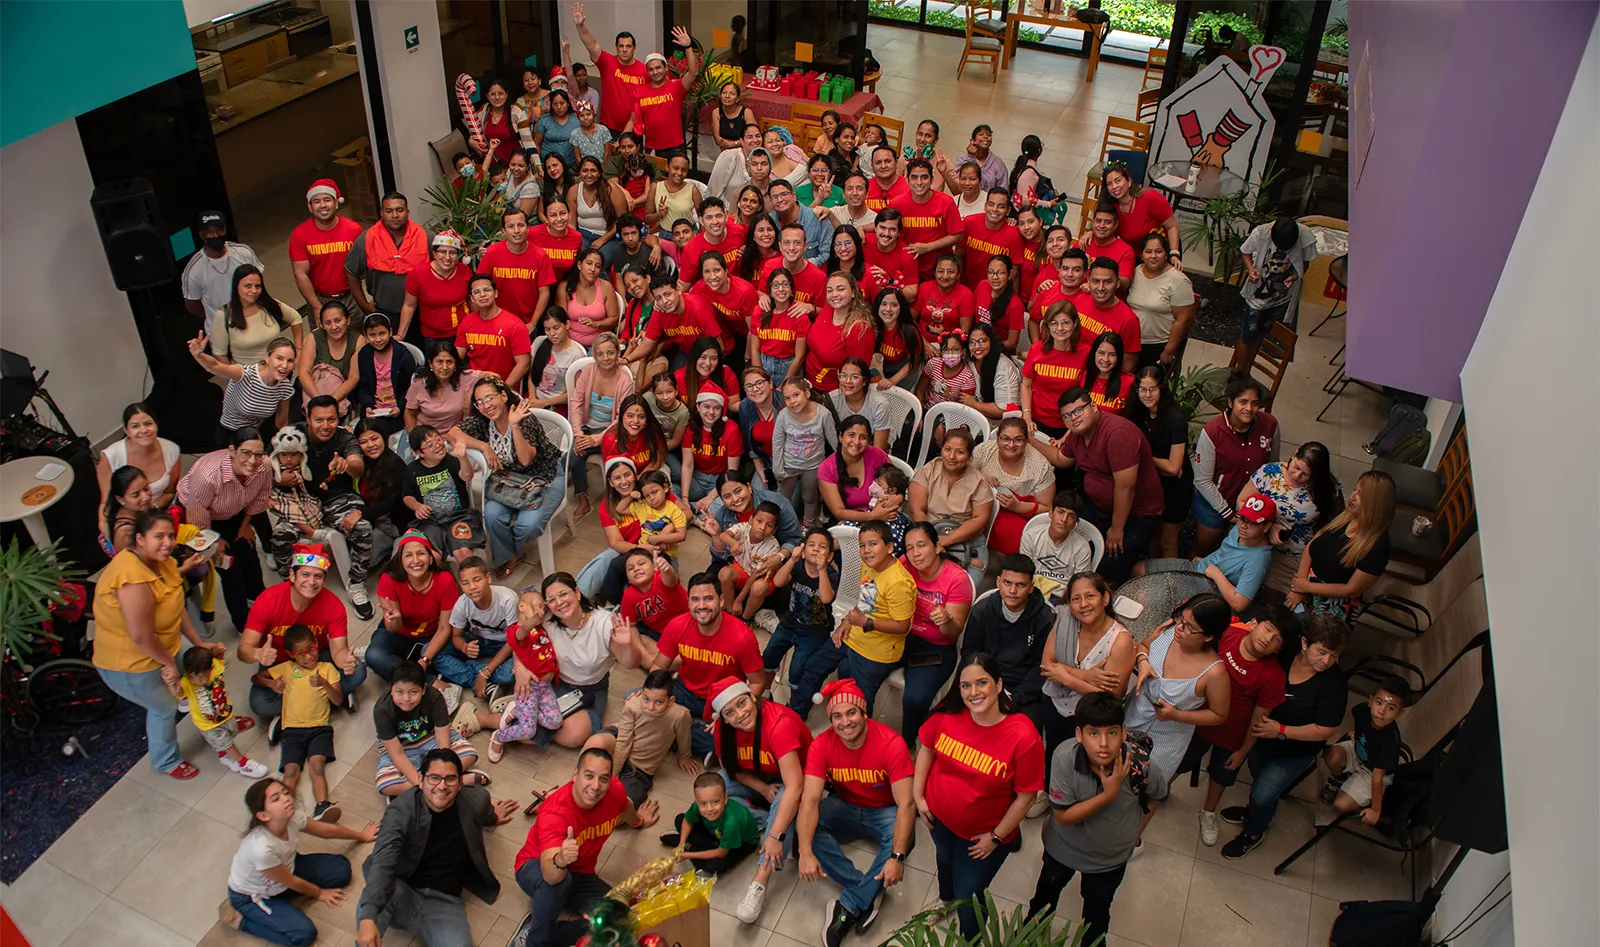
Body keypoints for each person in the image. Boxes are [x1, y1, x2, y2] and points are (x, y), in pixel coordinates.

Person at [914, 653, 1044, 939]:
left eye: (982, 683)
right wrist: (919, 797)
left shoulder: (1023, 736)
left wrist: (996, 838)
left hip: (982, 837)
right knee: (944, 860)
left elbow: (1026, 798)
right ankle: (944, 900)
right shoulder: (946, 715)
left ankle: (970, 938)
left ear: (998, 685)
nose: (973, 693)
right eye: (965, 686)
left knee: (969, 898)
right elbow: (927, 749)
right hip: (938, 819)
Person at [92, 509, 227, 779]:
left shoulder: (162, 561)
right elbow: (142, 636)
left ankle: (220, 723)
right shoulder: (131, 578)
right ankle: (166, 760)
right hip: (131, 662)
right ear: (140, 539)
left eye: (170, 536)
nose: (167, 543)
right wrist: (169, 665)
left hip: (166, 645)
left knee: (204, 671)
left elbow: (176, 606)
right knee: (164, 707)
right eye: (158, 537)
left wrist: (199, 644)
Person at [1027, 692, 1168, 947]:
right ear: (1079, 734)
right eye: (1093, 733)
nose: (1103, 743)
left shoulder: (1140, 765)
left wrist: (1134, 835)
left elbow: (1156, 797)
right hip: (1063, 850)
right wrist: (1108, 794)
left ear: (1124, 732)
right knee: (1043, 902)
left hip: (1109, 860)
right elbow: (1062, 817)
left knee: (1096, 916)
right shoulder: (1064, 758)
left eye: (1112, 733)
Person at [355, 749, 519, 947]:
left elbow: (485, 813)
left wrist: (493, 817)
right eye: (434, 778)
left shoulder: (477, 800)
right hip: (400, 885)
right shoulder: (399, 812)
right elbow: (383, 863)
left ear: (460, 783)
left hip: (444, 900)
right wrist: (368, 917)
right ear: (420, 780)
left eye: (450, 779)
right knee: (369, 912)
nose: (442, 786)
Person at [1219, 613, 1349, 859]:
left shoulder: (1334, 685)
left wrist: (1280, 730)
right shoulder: (1284, 653)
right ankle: (1254, 812)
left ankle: (1254, 832)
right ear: (1304, 643)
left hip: (1294, 752)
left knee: (1263, 793)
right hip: (1261, 736)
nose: (1327, 660)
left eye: (1334, 655)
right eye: (1322, 652)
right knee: (1258, 776)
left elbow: (1325, 729)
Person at [798, 679, 917, 946]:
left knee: (904, 838)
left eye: (851, 713)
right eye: (837, 716)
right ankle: (865, 889)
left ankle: (850, 905)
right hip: (845, 806)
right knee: (805, 827)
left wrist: (897, 858)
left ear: (865, 713)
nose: (845, 722)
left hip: (884, 810)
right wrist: (805, 852)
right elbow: (809, 801)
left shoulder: (891, 744)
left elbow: (906, 805)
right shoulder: (821, 745)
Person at [1183, 606, 1298, 847]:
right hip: (1197, 719)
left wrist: (1243, 751)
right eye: (1268, 629)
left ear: (1280, 648)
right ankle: (1154, 793)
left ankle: (1208, 812)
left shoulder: (1273, 677)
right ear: (1254, 623)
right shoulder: (1227, 633)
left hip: (1232, 735)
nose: (1268, 639)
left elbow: (1259, 720)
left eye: (1277, 639)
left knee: (1221, 775)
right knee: (1179, 761)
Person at [221, 777, 379, 946]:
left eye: (285, 793)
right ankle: (242, 921)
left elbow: (325, 831)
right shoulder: (261, 849)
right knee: (305, 935)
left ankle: (284, 904)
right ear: (263, 815)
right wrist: (319, 893)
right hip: (254, 895)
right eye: (276, 799)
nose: (286, 798)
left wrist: (361, 835)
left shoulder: (292, 817)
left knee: (342, 870)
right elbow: (292, 882)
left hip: (287, 869)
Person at [706, 678, 812, 923]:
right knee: (716, 785)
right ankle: (773, 820)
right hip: (761, 776)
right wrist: (763, 788)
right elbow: (732, 770)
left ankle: (760, 880)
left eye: (742, 703)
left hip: (796, 778)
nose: (740, 715)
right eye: (730, 713)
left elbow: (795, 785)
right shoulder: (724, 729)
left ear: (753, 697)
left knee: (786, 797)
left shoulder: (779, 725)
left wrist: (774, 838)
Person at [1039, 387, 1164, 583]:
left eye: (1078, 410)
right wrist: (1029, 439)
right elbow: (1060, 459)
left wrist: (1116, 528)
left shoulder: (1118, 433)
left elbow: (1126, 487)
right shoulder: (1077, 434)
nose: (1074, 418)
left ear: (1094, 406)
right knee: (1073, 546)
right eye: (1067, 416)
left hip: (1135, 512)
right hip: (1099, 506)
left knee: (1107, 567)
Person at [240, 543, 366, 734]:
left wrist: (345, 662)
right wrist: (257, 654)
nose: (311, 582)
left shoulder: (333, 606)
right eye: (305, 575)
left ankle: (296, 708)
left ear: (324, 580)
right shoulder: (268, 601)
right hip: (279, 659)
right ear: (292, 576)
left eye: (318, 576)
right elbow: (243, 650)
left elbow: (338, 650)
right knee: (259, 704)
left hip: (318, 655)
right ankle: (333, 697)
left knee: (358, 672)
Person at [644, 571, 765, 754]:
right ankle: (684, 732)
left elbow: (758, 682)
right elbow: (659, 667)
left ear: (721, 601)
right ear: (689, 602)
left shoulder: (743, 637)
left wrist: (729, 712)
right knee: (638, 699)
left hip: (723, 699)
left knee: (734, 736)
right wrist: (650, 693)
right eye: (695, 599)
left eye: (708, 599)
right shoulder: (678, 625)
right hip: (684, 689)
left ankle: (672, 730)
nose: (701, 606)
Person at [455, 375, 564, 578]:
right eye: (480, 402)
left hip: (543, 478)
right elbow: (452, 434)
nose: (486, 406)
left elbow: (526, 460)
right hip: (509, 481)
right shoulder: (482, 421)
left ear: (503, 396)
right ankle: (510, 554)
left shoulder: (523, 418)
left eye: (489, 398)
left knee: (528, 525)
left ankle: (511, 549)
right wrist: (483, 446)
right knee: (492, 515)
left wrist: (514, 427)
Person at [1124, 593, 1232, 793]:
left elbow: (1219, 715)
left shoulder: (1215, 673)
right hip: (1132, 715)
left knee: (1145, 792)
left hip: (1166, 740)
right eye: (1181, 618)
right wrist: (1143, 661)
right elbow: (1145, 646)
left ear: (1208, 636)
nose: (1180, 627)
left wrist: (1177, 715)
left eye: (1190, 627)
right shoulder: (1171, 630)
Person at [176, 429, 274, 630]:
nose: (253, 461)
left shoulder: (264, 466)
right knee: (230, 569)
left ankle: (258, 602)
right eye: (245, 453)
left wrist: (245, 525)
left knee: (249, 555)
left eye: (258, 454)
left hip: (235, 511)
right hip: (201, 518)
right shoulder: (208, 476)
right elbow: (196, 515)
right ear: (232, 450)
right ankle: (243, 624)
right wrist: (215, 542)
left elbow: (260, 496)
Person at [1040, 572, 1133, 780]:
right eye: (1076, 599)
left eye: (1090, 596)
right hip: (1055, 702)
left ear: (1105, 599)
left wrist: (1066, 677)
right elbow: (1047, 667)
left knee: (1082, 763)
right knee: (1054, 752)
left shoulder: (1120, 640)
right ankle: (1050, 791)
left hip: (1089, 716)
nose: (1083, 605)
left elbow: (1110, 697)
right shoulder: (1065, 621)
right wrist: (1086, 676)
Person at [538, 572, 643, 743]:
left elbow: (632, 663)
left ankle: (522, 724)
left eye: (563, 594)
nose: (559, 603)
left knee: (574, 736)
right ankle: (508, 722)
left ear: (577, 593)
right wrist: (520, 669)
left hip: (591, 689)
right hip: (556, 682)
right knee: (546, 719)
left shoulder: (604, 622)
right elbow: (518, 639)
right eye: (551, 600)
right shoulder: (546, 622)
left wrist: (627, 644)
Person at [824, 521, 918, 710]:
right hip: (856, 635)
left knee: (860, 700)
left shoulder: (898, 582)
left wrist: (866, 622)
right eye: (862, 545)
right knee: (841, 679)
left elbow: (902, 626)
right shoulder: (868, 565)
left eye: (873, 544)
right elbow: (864, 598)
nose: (866, 550)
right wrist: (846, 622)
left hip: (878, 652)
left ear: (889, 547)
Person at [896, 522, 975, 747]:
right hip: (903, 635)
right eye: (910, 548)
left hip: (935, 646)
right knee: (858, 666)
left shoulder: (957, 579)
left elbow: (952, 633)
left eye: (921, 545)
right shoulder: (904, 565)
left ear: (938, 547)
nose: (915, 553)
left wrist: (946, 619)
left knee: (915, 698)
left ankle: (906, 745)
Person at [257, 624, 346, 820]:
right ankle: (282, 810)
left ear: (316, 644)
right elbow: (257, 677)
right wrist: (272, 683)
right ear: (291, 655)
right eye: (302, 653)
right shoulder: (288, 669)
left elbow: (338, 700)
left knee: (317, 766)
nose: (309, 656)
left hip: (319, 728)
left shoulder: (327, 669)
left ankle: (322, 805)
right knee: (291, 771)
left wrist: (324, 683)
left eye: (312, 649)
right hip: (292, 730)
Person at [298, 396, 374, 614]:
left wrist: (346, 464)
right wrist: (282, 478)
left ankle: (356, 584)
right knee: (281, 535)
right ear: (308, 418)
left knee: (363, 529)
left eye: (331, 420)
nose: (325, 426)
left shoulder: (345, 438)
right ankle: (293, 586)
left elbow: (358, 466)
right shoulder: (294, 434)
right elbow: (270, 466)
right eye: (319, 420)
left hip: (337, 497)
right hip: (303, 498)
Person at [1141, 493, 1278, 614]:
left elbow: (1239, 604)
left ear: (1266, 527)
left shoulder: (1258, 561)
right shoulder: (1241, 530)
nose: (1243, 526)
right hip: (1199, 568)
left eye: (1252, 522)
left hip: (1208, 592)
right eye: (1242, 518)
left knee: (1150, 597)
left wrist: (1216, 574)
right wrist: (1206, 561)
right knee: (1139, 569)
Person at [962, 555, 1054, 733]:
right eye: (1007, 583)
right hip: (984, 681)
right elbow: (970, 654)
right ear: (998, 582)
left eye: (1020, 585)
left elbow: (1042, 667)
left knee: (1025, 734)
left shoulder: (1045, 618)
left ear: (1031, 587)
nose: (1013, 590)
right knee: (958, 725)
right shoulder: (981, 611)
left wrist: (1016, 697)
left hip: (1024, 690)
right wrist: (986, 687)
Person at [1288, 470, 1396, 619]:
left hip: (1333, 606)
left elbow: (1351, 590)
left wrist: (1306, 587)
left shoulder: (1377, 547)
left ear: (1375, 504)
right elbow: (1311, 546)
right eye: (1355, 490)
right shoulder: (1346, 517)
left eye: (1361, 494)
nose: (1352, 497)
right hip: (1307, 585)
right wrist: (1300, 586)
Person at [1192, 374, 1279, 555]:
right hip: (1214, 503)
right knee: (1204, 550)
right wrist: (1228, 514)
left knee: (1236, 553)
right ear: (1231, 402)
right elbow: (1202, 480)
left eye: (1254, 403)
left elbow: (1272, 468)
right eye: (1243, 402)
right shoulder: (1212, 432)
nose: (1249, 408)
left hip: (1251, 507)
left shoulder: (1270, 425)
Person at [371, 657, 481, 795]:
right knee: (385, 784)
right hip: (401, 746)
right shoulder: (382, 710)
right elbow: (397, 754)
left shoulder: (434, 697)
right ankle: (454, 781)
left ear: (423, 689)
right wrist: (420, 782)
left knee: (469, 754)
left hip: (431, 737)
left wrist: (441, 767)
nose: (406, 699)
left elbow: (443, 743)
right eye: (399, 692)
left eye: (413, 692)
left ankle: (417, 791)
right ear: (391, 689)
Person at [586, 667, 697, 804]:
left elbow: (684, 736)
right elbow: (623, 742)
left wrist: (684, 756)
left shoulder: (680, 715)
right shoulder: (632, 705)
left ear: (671, 701)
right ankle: (574, 784)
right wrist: (612, 776)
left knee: (621, 807)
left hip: (640, 768)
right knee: (596, 742)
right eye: (646, 699)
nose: (650, 707)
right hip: (619, 740)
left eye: (659, 702)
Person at [1240, 440, 1340, 587]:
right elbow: (1242, 501)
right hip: (1257, 542)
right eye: (1296, 467)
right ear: (1294, 454)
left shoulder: (1326, 487)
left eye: (1306, 474)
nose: (1297, 475)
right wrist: (1269, 526)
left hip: (1297, 555)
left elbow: (1336, 521)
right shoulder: (1269, 473)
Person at [1231, 216, 1320, 373]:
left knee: (1261, 331)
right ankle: (1240, 371)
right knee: (1248, 333)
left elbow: (1305, 264)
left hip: (1279, 296)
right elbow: (1245, 251)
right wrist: (1251, 269)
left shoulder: (1305, 236)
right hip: (1257, 296)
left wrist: (1295, 276)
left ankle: (1248, 369)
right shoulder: (1261, 232)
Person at [369, 532, 460, 681]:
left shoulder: (444, 580)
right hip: (400, 633)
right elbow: (392, 629)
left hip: (432, 636)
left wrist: (424, 660)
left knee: (451, 653)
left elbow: (444, 628)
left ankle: (406, 672)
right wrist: (394, 619)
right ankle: (429, 681)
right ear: (400, 560)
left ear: (430, 558)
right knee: (374, 655)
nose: (416, 560)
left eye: (421, 554)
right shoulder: (388, 579)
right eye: (408, 555)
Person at [425, 556, 519, 695]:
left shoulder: (508, 600)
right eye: (465, 583)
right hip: (478, 640)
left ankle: (475, 670)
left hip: (506, 643)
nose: (472, 587)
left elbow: (514, 640)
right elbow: (456, 635)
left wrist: (486, 671)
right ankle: (477, 680)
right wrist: (464, 647)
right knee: (428, 651)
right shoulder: (461, 604)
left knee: (507, 676)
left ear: (488, 578)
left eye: (477, 580)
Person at [1321, 677, 1409, 825]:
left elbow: (1377, 777)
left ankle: (1365, 797)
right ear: (1370, 701)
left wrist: (1376, 810)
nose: (1382, 711)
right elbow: (1357, 720)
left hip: (1373, 772)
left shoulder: (1390, 741)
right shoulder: (1362, 710)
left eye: (1391, 708)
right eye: (1379, 703)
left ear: (1399, 713)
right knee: (1331, 755)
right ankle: (1339, 778)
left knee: (1341, 805)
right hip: (1359, 750)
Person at [909, 429, 995, 576]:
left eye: (960, 452)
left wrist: (947, 540)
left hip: (965, 537)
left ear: (969, 456)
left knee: (966, 583)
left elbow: (980, 519)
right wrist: (930, 540)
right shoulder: (928, 471)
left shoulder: (978, 481)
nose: (952, 457)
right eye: (947, 449)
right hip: (927, 530)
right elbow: (918, 510)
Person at [188, 333, 297, 445]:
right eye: (279, 358)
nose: (284, 365)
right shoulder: (245, 374)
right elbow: (214, 366)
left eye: (290, 361)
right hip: (230, 433)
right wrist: (199, 355)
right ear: (267, 358)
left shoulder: (285, 389)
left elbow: (281, 423)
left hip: (257, 434)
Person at [1131, 366, 1194, 558]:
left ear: (1162, 389)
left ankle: (1170, 581)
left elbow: (1174, 468)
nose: (1147, 395)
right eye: (1143, 389)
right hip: (1151, 483)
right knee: (1152, 536)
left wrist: (1144, 456)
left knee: (1168, 541)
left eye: (1153, 389)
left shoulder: (1176, 420)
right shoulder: (1136, 412)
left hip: (1174, 489)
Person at [399, 425, 485, 563]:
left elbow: (467, 477)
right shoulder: (412, 470)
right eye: (430, 445)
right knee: (429, 554)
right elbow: (407, 496)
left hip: (459, 516)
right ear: (420, 453)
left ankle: (468, 580)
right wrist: (417, 506)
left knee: (462, 551)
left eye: (438, 439)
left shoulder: (451, 461)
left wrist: (463, 458)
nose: (438, 445)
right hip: (431, 521)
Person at [973, 415, 1055, 557]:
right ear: (997, 437)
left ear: (1026, 440)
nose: (1011, 445)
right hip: (980, 507)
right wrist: (981, 479)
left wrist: (1017, 506)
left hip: (1018, 517)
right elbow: (963, 478)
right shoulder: (983, 451)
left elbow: (1047, 510)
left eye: (1018, 440)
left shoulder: (1040, 466)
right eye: (1005, 439)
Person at [179, 645, 267, 777]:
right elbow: (178, 693)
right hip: (209, 725)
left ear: (211, 668)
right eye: (192, 676)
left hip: (225, 714)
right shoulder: (186, 683)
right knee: (226, 743)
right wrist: (170, 683)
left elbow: (219, 658)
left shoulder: (217, 667)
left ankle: (224, 756)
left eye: (202, 677)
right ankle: (243, 764)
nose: (197, 680)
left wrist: (219, 651)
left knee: (230, 734)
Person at [346, 192, 432, 320]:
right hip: (384, 312)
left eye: (399, 210)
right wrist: (364, 305)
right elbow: (350, 272)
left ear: (407, 212)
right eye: (389, 211)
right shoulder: (367, 238)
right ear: (382, 213)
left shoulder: (426, 237)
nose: (395, 215)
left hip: (422, 313)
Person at [206, 264, 304, 371]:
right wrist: (236, 377)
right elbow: (220, 354)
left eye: (257, 286)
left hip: (279, 371)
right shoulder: (224, 315)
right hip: (248, 378)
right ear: (236, 286)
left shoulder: (267, 304)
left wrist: (298, 350)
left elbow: (295, 318)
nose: (254, 291)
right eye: (247, 286)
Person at [659, 771, 760, 873]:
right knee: (680, 819)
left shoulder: (732, 823)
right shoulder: (699, 807)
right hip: (716, 833)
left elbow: (721, 853)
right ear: (697, 801)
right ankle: (692, 846)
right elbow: (687, 821)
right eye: (703, 803)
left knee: (711, 867)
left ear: (725, 799)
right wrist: (681, 844)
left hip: (741, 844)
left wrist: (687, 855)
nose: (709, 808)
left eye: (715, 802)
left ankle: (692, 848)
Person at [771, 377, 837, 527]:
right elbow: (777, 443)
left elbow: (834, 442)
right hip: (789, 465)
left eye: (796, 395)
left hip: (813, 466)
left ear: (807, 393)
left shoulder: (823, 414)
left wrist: (840, 464)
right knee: (782, 497)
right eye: (787, 398)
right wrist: (778, 469)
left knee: (810, 497)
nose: (792, 401)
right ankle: (780, 525)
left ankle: (808, 525)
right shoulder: (783, 416)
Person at [97, 403, 181, 517]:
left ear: (156, 425)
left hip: (159, 512)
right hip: (125, 517)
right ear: (126, 431)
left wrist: (151, 510)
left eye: (148, 424)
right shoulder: (110, 457)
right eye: (135, 426)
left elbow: (170, 492)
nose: (143, 430)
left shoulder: (172, 450)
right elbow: (106, 503)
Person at [1127, 232, 1196, 371]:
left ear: (1166, 254)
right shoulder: (1136, 272)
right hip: (1130, 342)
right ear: (1141, 255)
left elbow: (1183, 319)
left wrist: (1168, 351)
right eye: (1148, 251)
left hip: (1156, 346)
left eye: (1158, 251)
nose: (1153, 256)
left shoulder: (1178, 281)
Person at [573, 3, 645, 135]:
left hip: (634, 129)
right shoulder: (607, 62)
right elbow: (592, 45)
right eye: (621, 46)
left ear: (634, 48)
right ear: (616, 47)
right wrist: (580, 26)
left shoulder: (644, 70)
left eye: (628, 46)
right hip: (609, 128)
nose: (624, 50)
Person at [1020, 303, 1089, 440]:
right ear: (1047, 326)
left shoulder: (1086, 353)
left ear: (1075, 324)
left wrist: (1068, 436)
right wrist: (1027, 416)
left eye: (1065, 323)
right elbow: (1026, 385)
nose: (1059, 328)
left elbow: (1085, 399)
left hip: (1070, 425)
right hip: (1036, 422)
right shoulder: (1036, 349)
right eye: (1054, 323)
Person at [478, 207, 557, 324]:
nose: (516, 231)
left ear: (528, 228)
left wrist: (533, 324)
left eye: (520, 225)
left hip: (528, 322)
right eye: (510, 226)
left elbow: (544, 293)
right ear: (504, 230)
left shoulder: (540, 255)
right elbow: (479, 286)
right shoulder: (491, 253)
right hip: (496, 321)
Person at [804, 272, 878, 394]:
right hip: (808, 382)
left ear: (853, 291)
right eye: (829, 290)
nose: (834, 295)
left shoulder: (859, 328)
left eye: (840, 289)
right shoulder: (829, 307)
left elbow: (857, 375)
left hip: (832, 392)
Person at [184, 209, 264, 321]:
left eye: (220, 230)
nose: (216, 235)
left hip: (252, 320)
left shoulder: (243, 252)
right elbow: (192, 304)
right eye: (210, 232)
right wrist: (216, 316)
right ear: (201, 234)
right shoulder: (194, 269)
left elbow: (259, 283)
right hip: (221, 328)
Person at [454, 274, 532, 389]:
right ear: (471, 298)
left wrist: (502, 389)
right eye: (476, 292)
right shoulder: (467, 321)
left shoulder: (515, 325)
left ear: (495, 293)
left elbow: (524, 364)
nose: (482, 295)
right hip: (472, 386)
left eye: (487, 290)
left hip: (503, 389)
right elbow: (456, 356)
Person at [629, 31, 699, 158]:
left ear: (666, 68)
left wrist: (688, 47)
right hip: (652, 149)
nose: (655, 72)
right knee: (656, 178)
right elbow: (633, 120)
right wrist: (623, 139)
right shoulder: (640, 92)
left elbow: (693, 73)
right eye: (651, 69)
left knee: (677, 178)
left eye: (658, 68)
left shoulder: (676, 86)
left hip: (676, 148)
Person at [1019, 492, 1094, 598]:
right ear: (1051, 513)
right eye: (1061, 512)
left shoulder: (1082, 547)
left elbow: (1080, 583)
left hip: (1063, 596)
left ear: (1076, 522)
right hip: (1032, 590)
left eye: (1071, 516)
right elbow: (1024, 572)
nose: (1064, 519)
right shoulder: (1031, 536)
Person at [298, 302, 362, 417]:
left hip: (343, 396)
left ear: (348, 320)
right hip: (313, 391)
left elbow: (354, 377)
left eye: (338, 321)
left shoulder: (358, 340)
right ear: (321, 325)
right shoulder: (313, 337)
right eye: (328, 323)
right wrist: (318, 400)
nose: (333, 327)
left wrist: (330, 402)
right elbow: (303, 373)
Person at [1077, 202, 1135, 290]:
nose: (1102, 226)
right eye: (1098, 221)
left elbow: (1125, 283)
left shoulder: (1126, 251)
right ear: (1093, 222)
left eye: (1108, 222)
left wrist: (1097, 283)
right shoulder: (1083, 242)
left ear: (1115, 225)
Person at [529, 198, 585, 286]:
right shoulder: (531, 234)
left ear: (569, 215)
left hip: (562, 285)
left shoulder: (576, 237)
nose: (559, 219)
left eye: (563, 213)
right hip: (535, 285)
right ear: (546, 218)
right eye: (553, 215)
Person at [919, 329, 977, 412]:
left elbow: (962, 408)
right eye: (946, 350)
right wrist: (919, 413)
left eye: (955, 349)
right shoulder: (933, 364)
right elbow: (920, 390)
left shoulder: (967, 378)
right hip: (925, 408)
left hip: (947, 415)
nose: (950, 354)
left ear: (963, 352)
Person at [1008, 135, 1061, 225]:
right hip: (1025, 216)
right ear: (1039, 151)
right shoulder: (1029, 172)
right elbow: (1026, 201)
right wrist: (1049, 204)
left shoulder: (1027, 167)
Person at [1084, 331, 1134, 415]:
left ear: (1119, 357)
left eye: (1112, 355)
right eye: (1101, 353)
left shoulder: (1130, 382)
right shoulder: (1085, 376)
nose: (1105, 359)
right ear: (1094, 353)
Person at [712, 80, 756, 151]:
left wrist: (732, 144)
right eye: (724, 93)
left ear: (737, 99)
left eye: (732, 94)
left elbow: (753, 138)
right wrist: (739, 142)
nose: (727, 96)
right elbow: (718, 140)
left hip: (745, 151)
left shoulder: (746, 112)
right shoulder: (716, 112)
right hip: (725, 152)